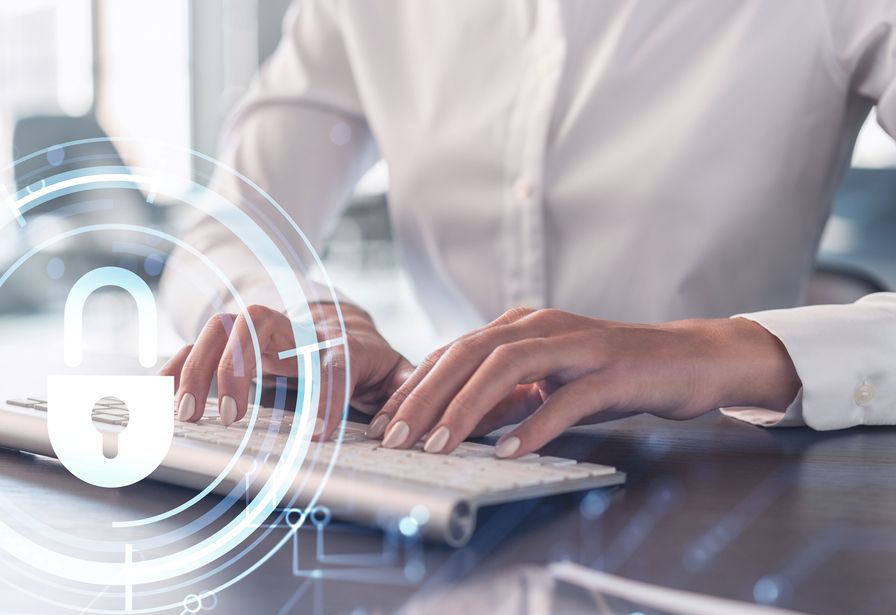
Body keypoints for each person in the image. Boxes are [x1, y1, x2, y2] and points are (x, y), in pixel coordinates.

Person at [158, 0, 896, 459]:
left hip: (732, 486)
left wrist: (717, 349)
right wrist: (309, 316)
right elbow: (224, 232)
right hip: (449, 475)